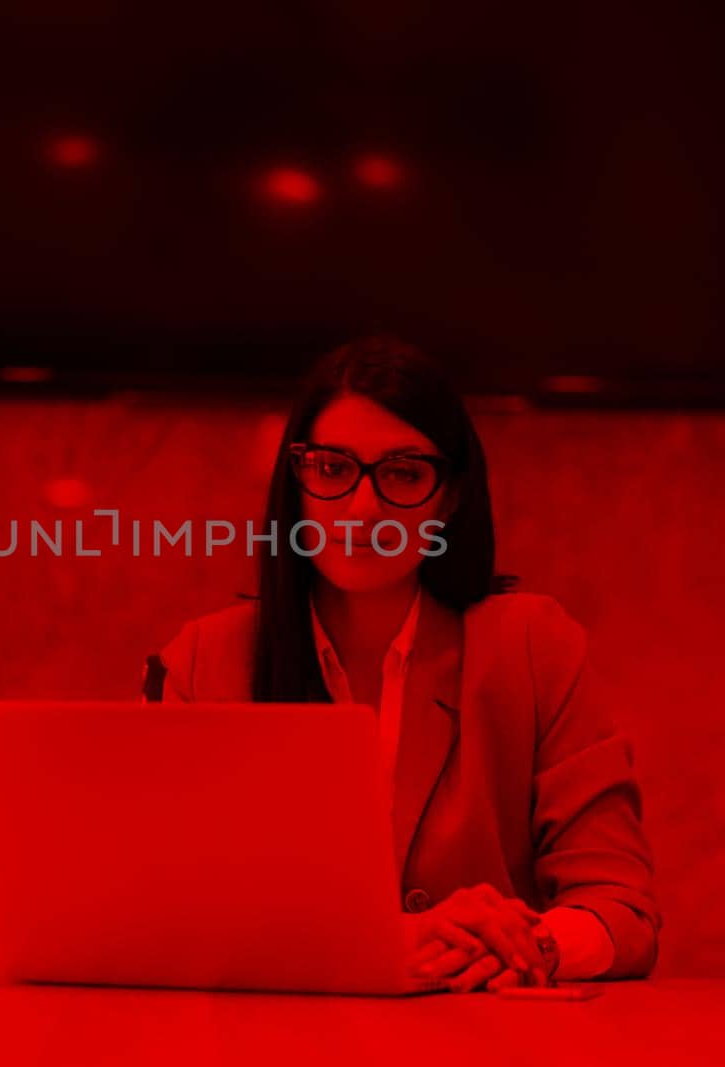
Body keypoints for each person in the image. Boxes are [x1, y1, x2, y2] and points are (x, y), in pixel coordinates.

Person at [155, 335, 660, 993]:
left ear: (448, 498)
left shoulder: (535, 645)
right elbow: (161, 916)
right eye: (334, 469)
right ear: (296, 484)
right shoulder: (202, 660)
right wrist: (382, 942)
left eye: (403, 472)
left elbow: (623, 909)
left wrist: (528, 943)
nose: (364, 509)